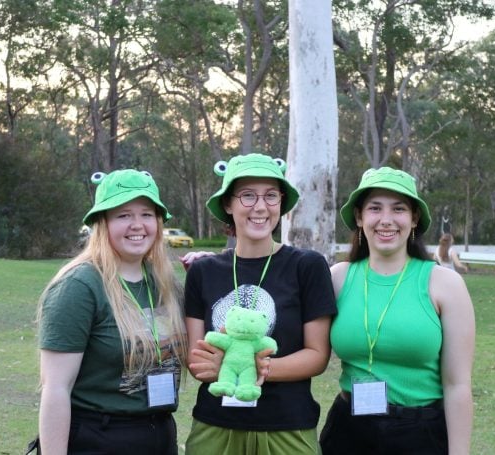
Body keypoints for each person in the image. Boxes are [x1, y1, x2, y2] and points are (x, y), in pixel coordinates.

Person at [183, 153, 338, 455]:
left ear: (280, 203)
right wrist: (210, 365)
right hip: (216, 426)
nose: (260, 207)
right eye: (247, 196)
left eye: (270, 196)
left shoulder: (306, 266)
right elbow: (196, 358)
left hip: (288, 426)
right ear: (228, 204)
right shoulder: (204, 272)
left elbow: (317, 356)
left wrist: (254, 368)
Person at [319, 167, 476, 455]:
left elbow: (458, 385)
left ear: (414, 218)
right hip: (347, 432)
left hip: (419, 434)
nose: (386, 220)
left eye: (399, 209)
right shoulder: (338, 278)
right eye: (375, 208)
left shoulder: (445, 284)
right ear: (359, 217)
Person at [35, 169, 187, 455]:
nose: (137, 224)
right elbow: (56, 389)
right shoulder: (79, 286)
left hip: (159, 433)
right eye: (124, 215)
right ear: (102, 223)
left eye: (146, 214)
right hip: (99, 438)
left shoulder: (165, 283)